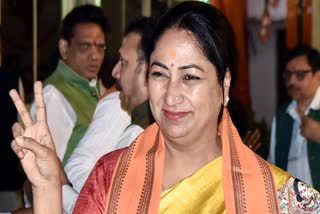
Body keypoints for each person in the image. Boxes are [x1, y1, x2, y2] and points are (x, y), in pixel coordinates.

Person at [10, 1, 320, 213]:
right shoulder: (110, 176)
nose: (171, 96)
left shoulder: (282, 198)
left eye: (190, 76)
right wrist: (49, 189)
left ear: (223, 85)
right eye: (159, 73)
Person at [61, 16, 155, 213]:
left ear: (146, 70)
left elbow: (105, 207)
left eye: (123, 62)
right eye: (85, 46)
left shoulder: (138, 136)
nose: (114, 71)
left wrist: (57, 185)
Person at [30, 4, 109, 164]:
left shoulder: (95, 87)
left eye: (100, 47)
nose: (95, 56)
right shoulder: (54, 96)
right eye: (85, 46)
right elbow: (48, 170)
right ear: (64, 48)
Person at [268, 45, 320, 190]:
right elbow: (273, 163)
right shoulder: (283, 114)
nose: (291, 82)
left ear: (318, 76)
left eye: (300, 75)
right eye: (288, 74)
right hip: (289, 204)